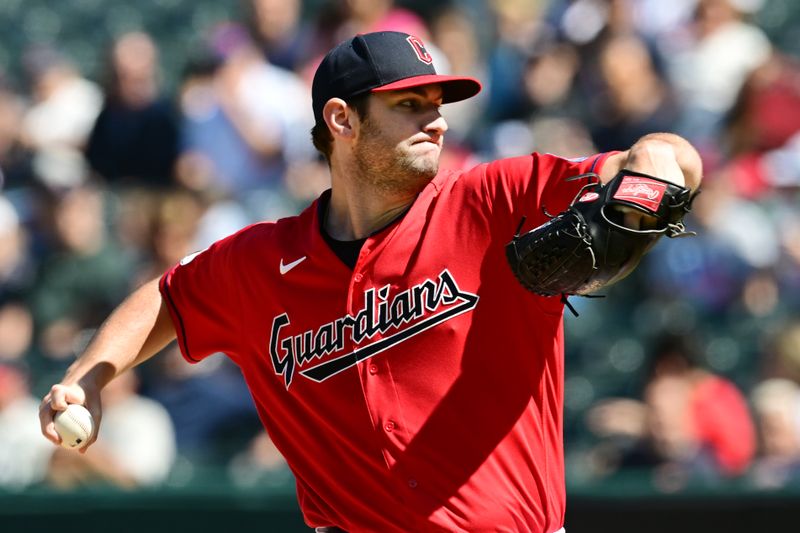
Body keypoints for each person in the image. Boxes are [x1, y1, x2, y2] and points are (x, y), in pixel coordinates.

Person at [39, 31, 702, 533]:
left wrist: (646, 185)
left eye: (438, 103)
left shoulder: (495, 200)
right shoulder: (260, 263)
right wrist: (90, 376)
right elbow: (167, 298)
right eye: (411, 104)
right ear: (341, 121)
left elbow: (670, 158)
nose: (437, 119)